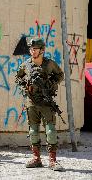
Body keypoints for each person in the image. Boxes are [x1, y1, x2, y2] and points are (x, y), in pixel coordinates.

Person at [15, 38, 64, 171]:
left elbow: (60, 75)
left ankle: (52, 161)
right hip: (31, 102)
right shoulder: (26, 65)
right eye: (31, 49)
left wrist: (50, 84)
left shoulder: (49, 64)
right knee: (33, 131)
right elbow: (18, 77)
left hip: (46, 102)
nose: (32, 51)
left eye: (35, 49)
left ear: (42, 50)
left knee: (51, 131)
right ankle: (36, 159)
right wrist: (25, 86)